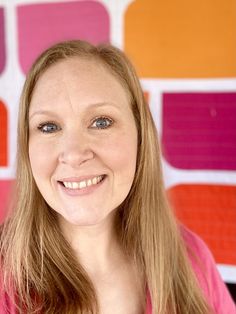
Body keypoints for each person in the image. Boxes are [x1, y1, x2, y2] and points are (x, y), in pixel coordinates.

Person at [0, 40, 235, 314]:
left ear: (140, 135)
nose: (74, 154)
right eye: (48, 126)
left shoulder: (190, 258)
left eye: (101, 122)